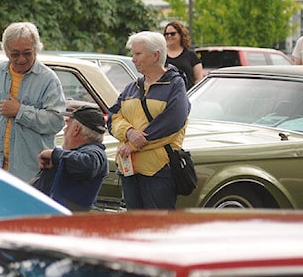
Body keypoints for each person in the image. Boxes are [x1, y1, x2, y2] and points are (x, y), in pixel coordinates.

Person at [108, 30, 190, 210]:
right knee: (134, 226)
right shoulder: (132, 87)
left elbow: (173, 122)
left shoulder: (175, 85)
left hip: (159, 171)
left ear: (156, 56)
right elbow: (113, 117)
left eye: (138, 54)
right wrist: (129, 133)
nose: (133, 59)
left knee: (158, 228)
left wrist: (134, 144)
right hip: (129, 169)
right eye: (133, 54)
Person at [0, 21, 66, 184]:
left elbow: (56, 121)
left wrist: (20, 111)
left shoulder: (48, 79)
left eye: (27, 53)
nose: (21, 59)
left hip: (33, 172)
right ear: (6, 52)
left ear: (36, 49)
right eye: (15, 54)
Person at [33, 105, 109, 211]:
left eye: (67, 126)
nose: (64, 130)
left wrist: (54, 154)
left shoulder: (95, 152)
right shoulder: (72, 155)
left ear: (76, 130)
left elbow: (87, 165)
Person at [163, 20, 203, 89]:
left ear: (181, 35)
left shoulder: (191, 55)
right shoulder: (161, 55)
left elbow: (198, 79)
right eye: (166, 34)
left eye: (172, 34)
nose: (169, 36)